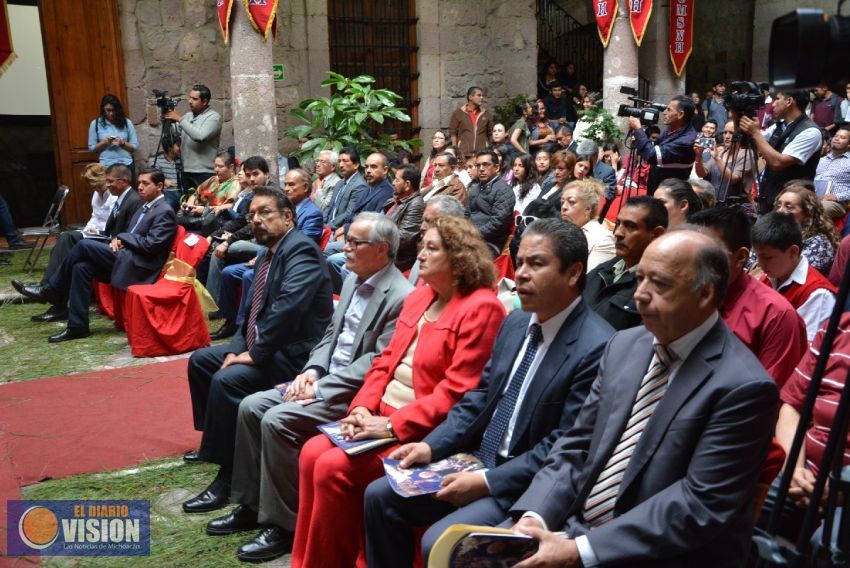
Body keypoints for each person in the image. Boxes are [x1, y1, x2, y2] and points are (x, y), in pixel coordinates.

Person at [503, 230, 779, 568]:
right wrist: (538, 514)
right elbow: (578, 443)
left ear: (705, 293)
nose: (639, 296)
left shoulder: (744, 388)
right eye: (640, 278)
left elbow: (696, 505)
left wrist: (580, 551)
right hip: (575, 529)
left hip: (660, 554)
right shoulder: (623, 345)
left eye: (659, 284)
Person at [363, 219, 616, 567]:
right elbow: (480, 397)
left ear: (573, 273)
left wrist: (485, 481)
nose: (522, 273)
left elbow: (564, 444)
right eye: (521, 261)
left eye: (536, 264)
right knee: (380, 496)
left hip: (523, 480)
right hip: (477, 457)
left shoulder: (596, 347)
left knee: (441, 542)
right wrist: (432, 445)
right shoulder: (515, 323)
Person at [291, 216, 506, 567]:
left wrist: (390, 426)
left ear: (459, 258)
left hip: (421, 430)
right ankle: (311, 559)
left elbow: (457, 392)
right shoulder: (421, 296)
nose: (420, 254)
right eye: (422, 245)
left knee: (332, 467)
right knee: (311, 453)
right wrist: (361, 408)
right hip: (379, 417)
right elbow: (385, 361)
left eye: (432, 248)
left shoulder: (481, 307)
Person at [196, 214, 412, 563]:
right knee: (250, 407)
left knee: (276, 420)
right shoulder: (356, 278)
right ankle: (252, 505)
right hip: (325, 376)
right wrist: (312, 370)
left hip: (351, 393)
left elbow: (376, 360)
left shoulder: (400, 295)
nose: (346, 248)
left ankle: (286, 526)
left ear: (382, 249)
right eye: (349, 241)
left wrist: (322, 385)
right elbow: (330, 334)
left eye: (356, 243)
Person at [182, 187, 334, 514]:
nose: (256, 220)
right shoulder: (268, 252)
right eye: (252, 215)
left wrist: (253, 353)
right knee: (202, 362)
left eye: (265, 213)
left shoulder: (301, 251)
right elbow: (249, 313)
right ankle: (215, 440)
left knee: (228, 380)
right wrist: (236, 350)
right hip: (267, 344)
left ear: (287, 216)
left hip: (295, 356)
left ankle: (228, 475)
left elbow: (287, 312)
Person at [17, 169, 176, 342]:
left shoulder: (164, 210)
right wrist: (120, 239)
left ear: (159, 186)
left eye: (146, 184)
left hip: (140, 266)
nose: (140, 187)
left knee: (84, 245)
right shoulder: (145, 207)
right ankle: (78, 326)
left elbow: (151, 246)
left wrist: (123, 238)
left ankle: (52, 289)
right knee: (81, 267)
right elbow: (134, 235)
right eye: (139, 183)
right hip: (126, 257)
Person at [689, 207, 807, 386]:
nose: (692, 261)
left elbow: (769, 396)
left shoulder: (775, 314)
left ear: (740, 257)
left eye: (706, 253)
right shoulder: (680, 294)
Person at [211, 169, 325, 340]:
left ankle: (245, 325)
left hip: (287, 262)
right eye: (285, 184)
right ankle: (230, 320)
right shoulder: (284, 207)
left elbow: (302, 243)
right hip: (268, 255)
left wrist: (264, 257)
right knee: (229, 272)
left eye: (291, 185)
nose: (286, 188)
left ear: (306, 187)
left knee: (250, 275)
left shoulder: (312, 213)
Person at [14, 164, 116, 305]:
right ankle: (48, 289)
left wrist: (95, 230)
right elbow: (95, 216)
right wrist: (88, 228)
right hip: (92, 233)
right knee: (64, 242)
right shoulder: (97, 194)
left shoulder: (114, 195)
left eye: (95, 184)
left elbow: (113, 223)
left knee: (67, 238)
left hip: (105, 236)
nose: (93, 188)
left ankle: (47, 290)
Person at [583, 196, 667, 331]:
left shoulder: (657, 289)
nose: (617, 233)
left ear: (656, 234)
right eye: (618, 224)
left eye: (631, 226)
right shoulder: (603, 269)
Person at [753, 212, 837, 341]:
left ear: (793, 252)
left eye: (767, 258)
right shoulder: (769, 277)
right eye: (758, 257)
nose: (760, 264)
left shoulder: (817, 294)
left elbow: (805, 349)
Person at [739, 88, 821, 213]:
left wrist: (755, 132)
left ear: (789, 101)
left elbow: (778, 163)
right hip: (770, 197)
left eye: (777, 99)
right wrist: (739, 116)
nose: (773, 104)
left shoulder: (810, 132)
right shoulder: (780, 125)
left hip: (793, 206)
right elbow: (751, 141)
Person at [205, 156, 270, 305]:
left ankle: (214, 303)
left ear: (266, 174)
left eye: (256, 174)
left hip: (266, 244)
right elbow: (240, 221)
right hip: (253, 239)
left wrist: (228, 241)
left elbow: (252, 227)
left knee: (231, 247)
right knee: (216, 247)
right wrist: (213, 235)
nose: (251, 179)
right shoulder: (253, 193)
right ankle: (214, 302)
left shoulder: (271, 195)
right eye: (248, 175)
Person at [628, 95, 699, 194]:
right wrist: (640, 137)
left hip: (670, 195)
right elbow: (656, 147)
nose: (664, 112)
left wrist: (638, 129)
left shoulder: (686, 140)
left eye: (669, 110)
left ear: (680, 114)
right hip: (657, 188)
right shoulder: (672, 129)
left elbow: (651, 155)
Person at [163, 84, 223, 190]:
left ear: (204, 102)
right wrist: (167, 120)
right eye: (190, 97)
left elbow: (200, 136)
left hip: (203, 172)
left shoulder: (214, 117)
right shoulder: (188, 116)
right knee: (186, 202)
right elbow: (174, 132)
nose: (190, 101)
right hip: (185, 170)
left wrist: (179, 119)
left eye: (195, 99)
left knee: (202, 204)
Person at [774, 183, 838, 274]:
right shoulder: (774, 232)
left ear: (807, 213)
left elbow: (795, 275)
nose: (780, 211)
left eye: (788, 207)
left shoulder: (819, 243)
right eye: (779, 205)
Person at [176, 151, 238, 235]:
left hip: (212, 221)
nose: (216, 169)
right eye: (215, 166)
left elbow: (231, 205)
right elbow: (195, 194)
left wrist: (204, 210)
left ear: (231, 167)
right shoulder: (213, 179)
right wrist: (189, 205)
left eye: (220, 166)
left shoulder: (235, 183)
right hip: (195, 213)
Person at [694, 119, 756, 202]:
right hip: (713, 202)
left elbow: (732, 180)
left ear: (739, 135)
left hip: (732, 205)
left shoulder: (746, 154)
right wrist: (698, 156)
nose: (727, 136)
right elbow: (702, 173)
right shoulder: (720, 151)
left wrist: (717, 158)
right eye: (725, 132)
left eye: (731, 133)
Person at [560, 179, 615, 271]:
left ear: (588, 209)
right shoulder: (559, 230)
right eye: (562, 202)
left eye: (571, 202)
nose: (564, 207)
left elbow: (590, 280)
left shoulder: (603, 240)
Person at [467, 149, 516, 252]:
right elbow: (466, 214)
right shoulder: (475, 189)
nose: (481, 169)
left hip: (491, 243)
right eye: (478, 165)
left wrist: (472, 235)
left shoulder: (504, 190)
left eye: (486, 165)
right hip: (470, 237)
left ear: (497, 167)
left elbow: (497, 224)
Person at [383, 164, 425, 272]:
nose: (393, 183)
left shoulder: (416, 204)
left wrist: (375, 236)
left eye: (397, 180)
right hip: (382, 247)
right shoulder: (399, 198)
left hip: (395, 257)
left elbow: (403, 238)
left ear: (407, 184)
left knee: (341, 263)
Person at [87, 94, 138, 171]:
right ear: (103, 109)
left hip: (126, 164)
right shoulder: (96, 124)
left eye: (113, 110)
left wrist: (122, 143)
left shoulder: (127, 123)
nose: (111, 113)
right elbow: (91, 148)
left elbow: (135, 146)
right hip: (106, 165)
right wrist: (103, 143)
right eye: (108, 110)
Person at [324, 147, 368, 232]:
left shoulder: (360, 185)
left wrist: (327, 227)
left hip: (340, 230)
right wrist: (321, 224)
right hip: (327, 227)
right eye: (339, 161)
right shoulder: (339, 183)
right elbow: (329, 207)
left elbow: (349, 214)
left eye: (345, 161)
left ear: (356, 165)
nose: (340, 165)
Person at [449, 86, 493, 157]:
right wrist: (455, 149)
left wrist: (490, 149)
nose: (481, 98)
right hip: (463, 154)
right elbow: (453, 132)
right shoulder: (458, 113)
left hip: (481, 155)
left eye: (482, 96)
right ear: (470, 97)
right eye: (479, 95)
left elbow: (491, 133)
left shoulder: (486, 114)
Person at [815, 126, 850, 211]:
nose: (837, 139)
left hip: (836, 202)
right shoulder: (821, 160)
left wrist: (837, 197)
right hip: (814, 196)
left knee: (819, 208)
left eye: (842, 137)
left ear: (849, 144)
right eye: (836, 136)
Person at [148, 133, 182, 209]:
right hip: (167, 192)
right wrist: (164, 180)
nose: (181, 148)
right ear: (170, 148)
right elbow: (152, 175)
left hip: (181, 191)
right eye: (178, 145)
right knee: (167, 203)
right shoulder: (157, 161)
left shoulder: (181, 160)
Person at [310, 150, 341, 215]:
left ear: (333, 167)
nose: (318, 165)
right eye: (317, 161)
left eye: (323, 162)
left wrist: (318, 189)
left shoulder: (336, 183)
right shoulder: (317, 181)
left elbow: (324, 209)